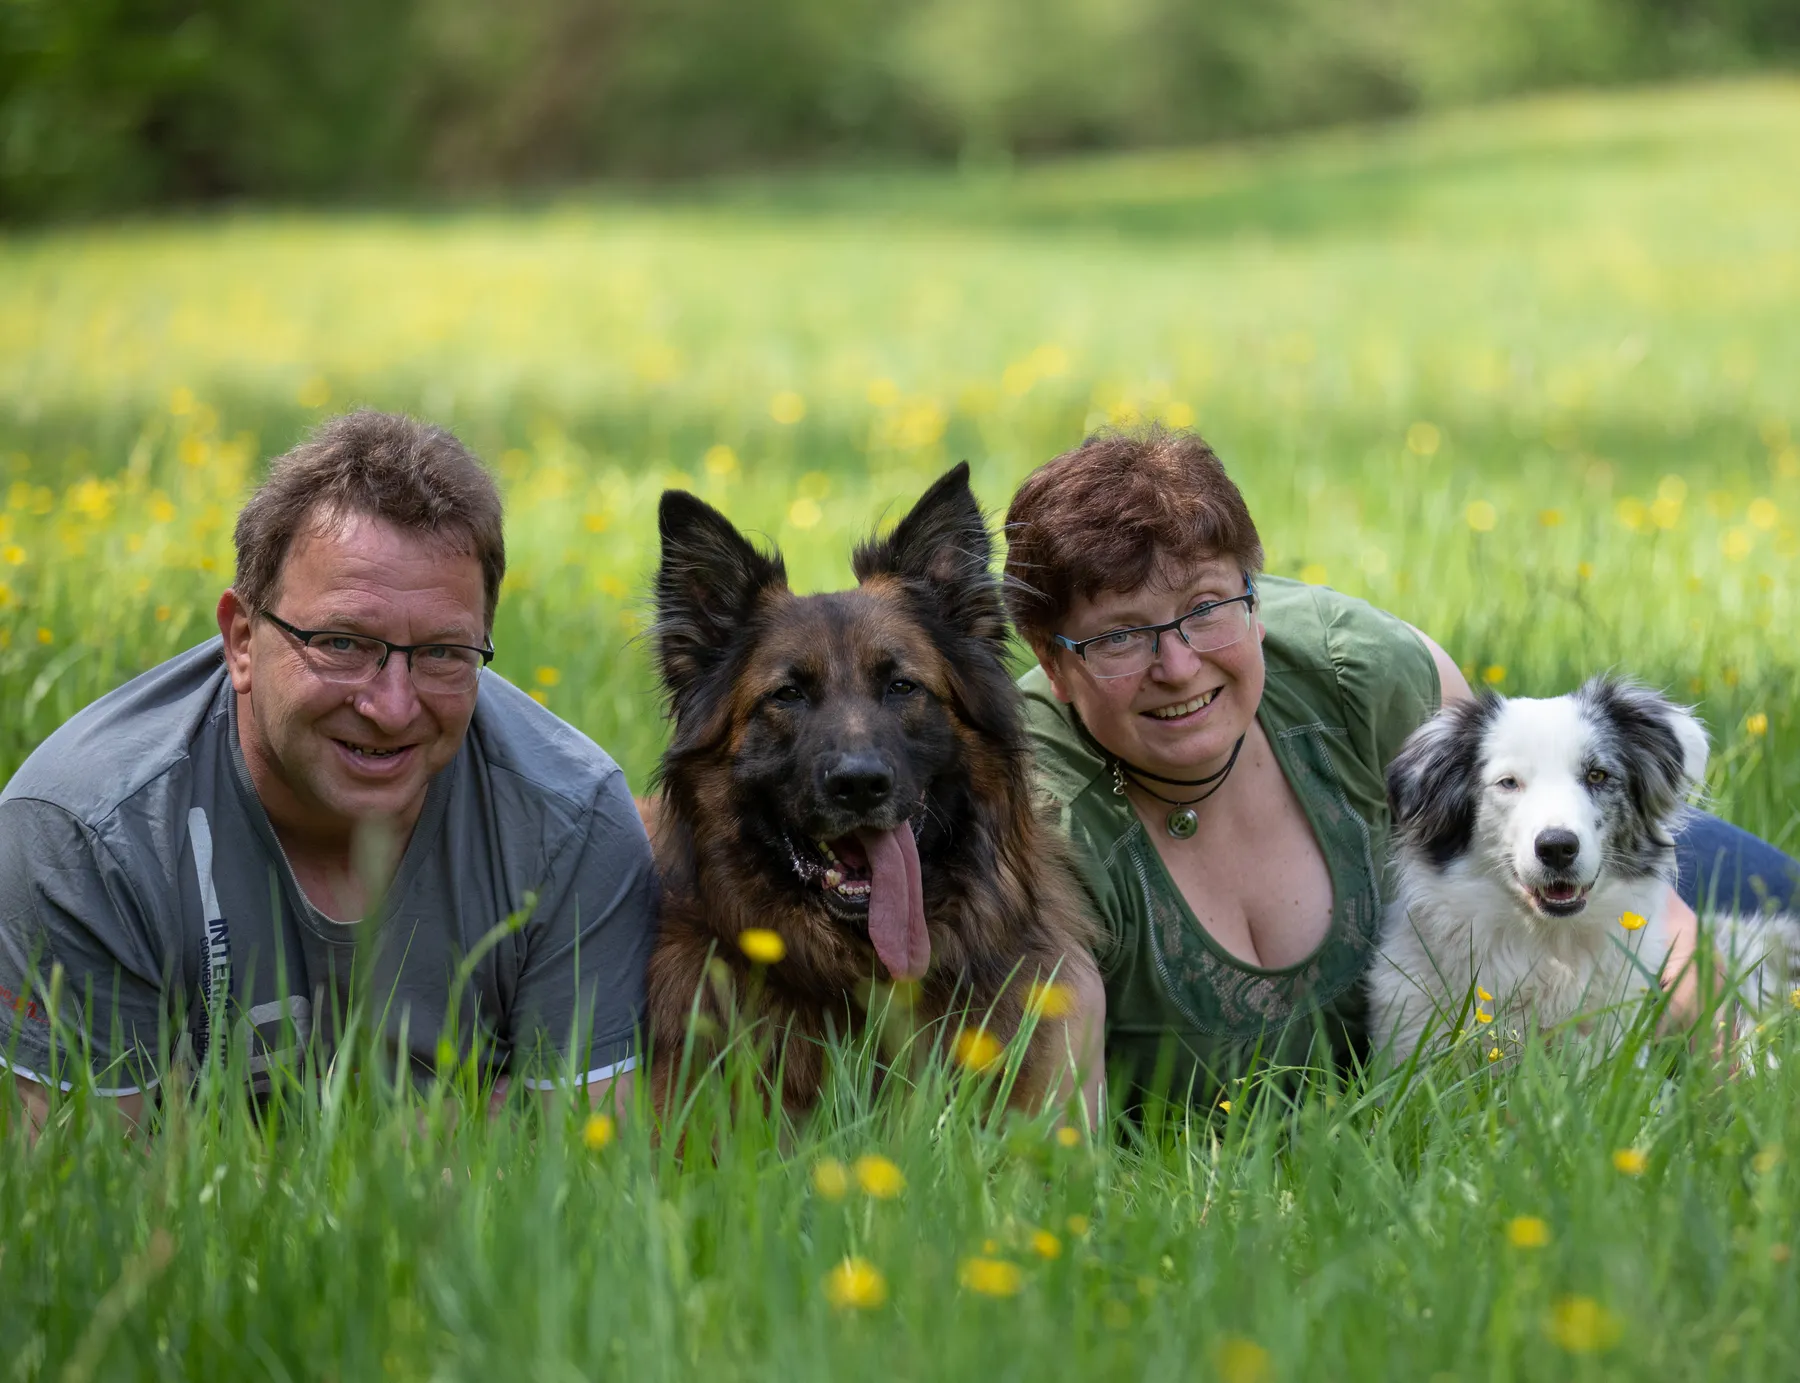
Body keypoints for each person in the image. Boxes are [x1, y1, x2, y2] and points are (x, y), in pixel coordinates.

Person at [1004, 426, 1798, 1103]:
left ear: (1255, 598)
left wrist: (1741, 1073)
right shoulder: (1034, 808)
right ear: (1054, 660)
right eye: (1120, 635)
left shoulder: (1359, 668)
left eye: (1207, 608)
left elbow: (1550, 803)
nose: (1178, 666)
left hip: (1597, 863)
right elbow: (1056, 1130)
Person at [0, 411, 657, 1135]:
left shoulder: (573, 821)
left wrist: (195, 1143)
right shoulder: (86, 835)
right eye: (342, 643)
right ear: (241, 639)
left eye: (443, 653)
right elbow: (94, 1172)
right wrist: (469, 1128)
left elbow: (584, 1154)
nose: (392, 707)